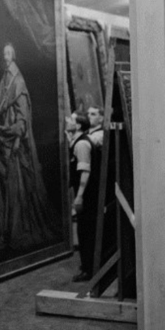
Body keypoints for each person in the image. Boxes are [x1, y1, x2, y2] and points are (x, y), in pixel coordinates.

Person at [0, 43, 58, 252]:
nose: (5, 57)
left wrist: (17, 138)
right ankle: (8, 230)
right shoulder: (6, 79)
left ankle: (18, 229)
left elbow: (23, 114)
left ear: (14, 56)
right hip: (8, 142)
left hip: (17, 145)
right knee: (8, 189)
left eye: (8, 54)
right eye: (3, 54)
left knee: (17, 188)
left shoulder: (18, 81)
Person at [66, 113, 101, 282]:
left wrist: (79, 196)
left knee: (85, 232)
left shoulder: (81, 145)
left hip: (87, 196)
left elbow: (85, 172)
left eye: (71, 120)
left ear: (78, 126)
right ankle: (88, 265)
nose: (67, 121)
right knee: (85, 231)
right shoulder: (80, 141)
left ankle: (88, 270)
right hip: (87, 195)